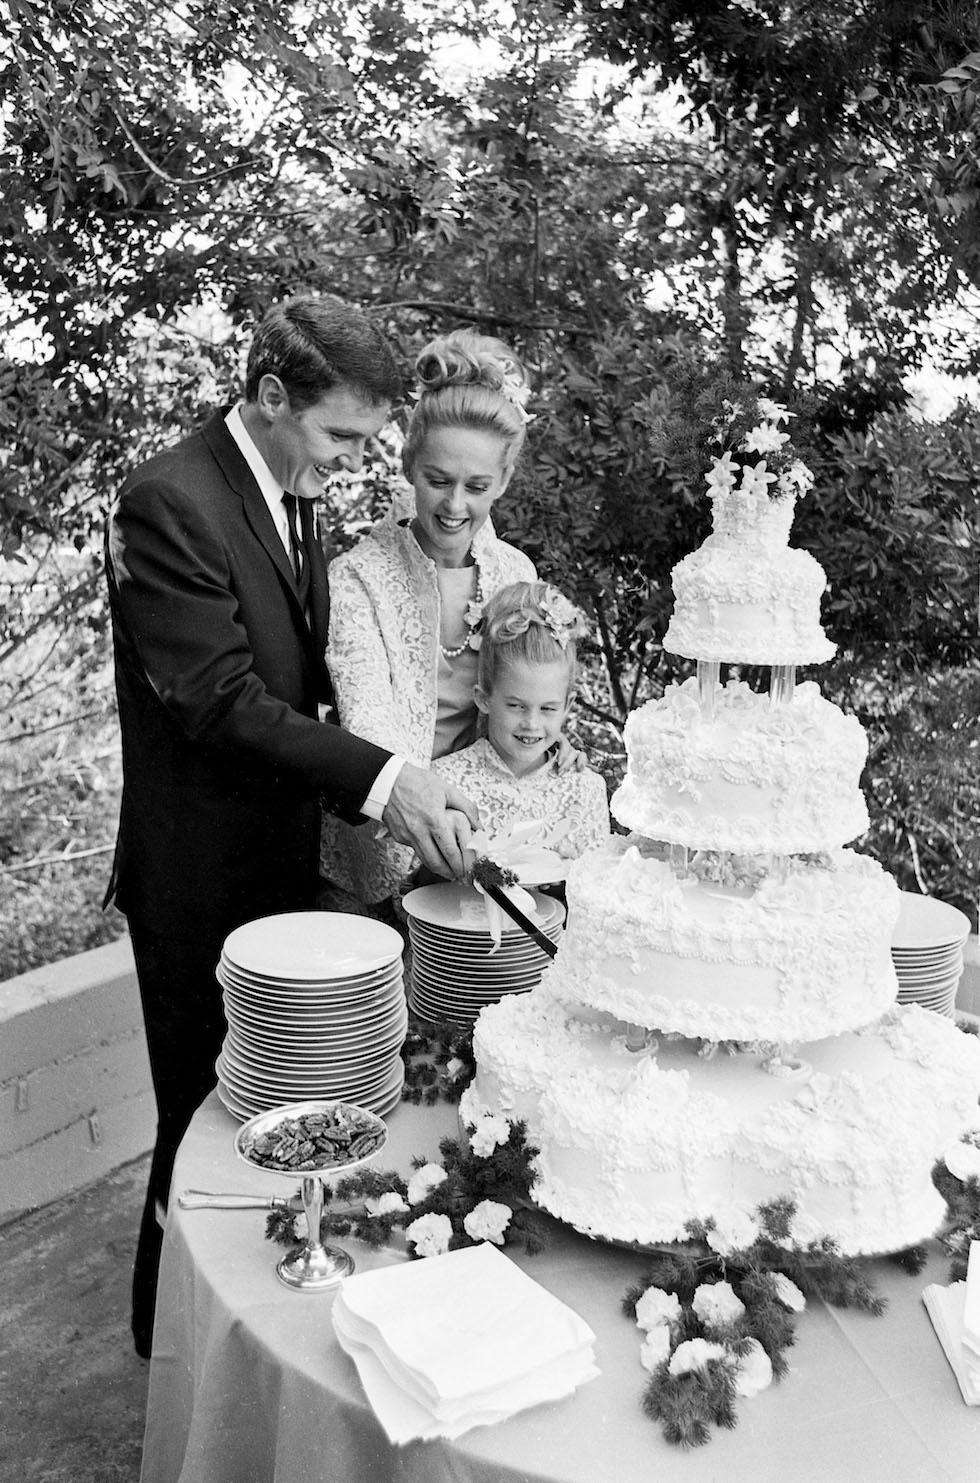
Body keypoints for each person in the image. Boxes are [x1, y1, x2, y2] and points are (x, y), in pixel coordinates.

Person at [104, 295, 479, 1357]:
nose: (354, 461)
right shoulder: (167, 500)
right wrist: (387, 780)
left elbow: (309, 677)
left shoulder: (289, 490)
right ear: (271, 395)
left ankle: (262, 1338)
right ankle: (168, 1347)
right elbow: (221, 700)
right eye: (341, 435)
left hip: (285, 867)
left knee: (283, 1123)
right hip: (198, 881)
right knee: (199, 1123)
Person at [320, 329, 539, 908]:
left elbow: (531, 690)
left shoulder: (516, 573)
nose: (454, 506)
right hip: (379, 841)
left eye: (477, 487)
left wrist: (549, 741)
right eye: (438, 481)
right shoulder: (358, 577)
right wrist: (424, 810)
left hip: (485, 836)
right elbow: (368, 719)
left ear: (503, 482)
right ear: (409, 465)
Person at [431, 580, 610, 862]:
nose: (532, 723)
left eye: (548, 709)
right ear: (483, 699)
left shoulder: (584, 789)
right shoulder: (445, 782)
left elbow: (598, 884)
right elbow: (413, 883)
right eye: (516, 706)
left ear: (567, 706)